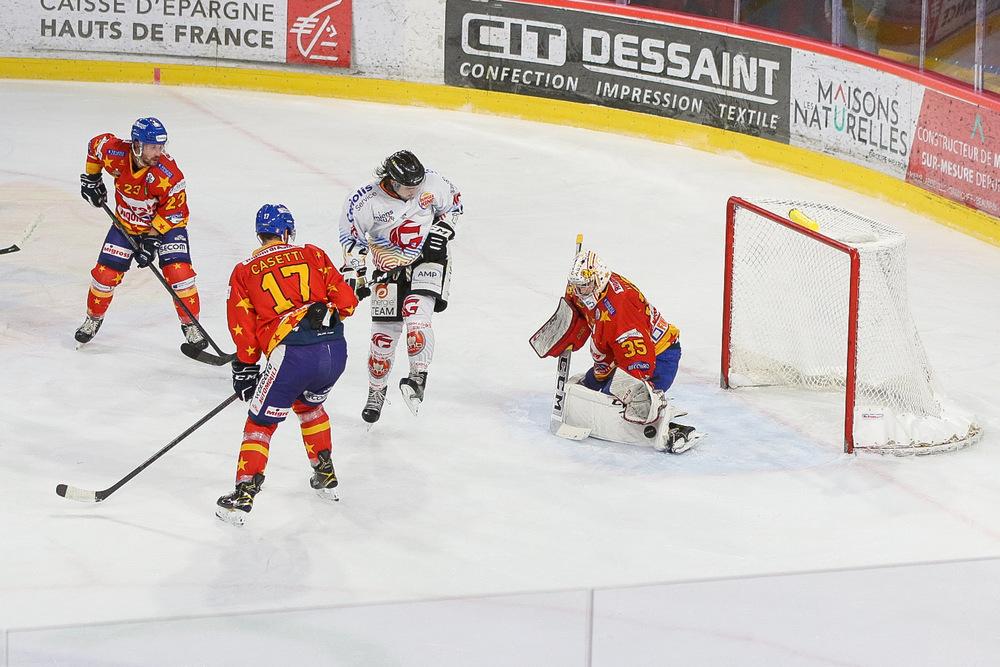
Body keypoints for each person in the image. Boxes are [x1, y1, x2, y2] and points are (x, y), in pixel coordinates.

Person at [216, 204, 359, 526]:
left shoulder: (244, 270)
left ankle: (243, 492)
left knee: (260, 423)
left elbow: (242, 324)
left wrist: (246, 366)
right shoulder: (313, 253)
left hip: (292, 354)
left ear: (260, 234)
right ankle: (324, 472)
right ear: (287, 232)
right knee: (310, 408)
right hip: (335, 352)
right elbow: (348, 303)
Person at [530, 249, 701, 453]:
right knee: (590, 388)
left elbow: (639, 360)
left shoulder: (621, 309)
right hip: (619, 352)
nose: (579, 291)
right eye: (576, 286)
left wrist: (635, 393)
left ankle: (666, 427)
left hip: (659, 357)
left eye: (584, 286)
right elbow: (585, 316)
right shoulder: (589, 289)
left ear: (599, 279)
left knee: (619, 402)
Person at [338, 150, 463, 422]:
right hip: (388, 269)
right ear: (392, 182)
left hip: (429, 260)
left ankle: (418, 377)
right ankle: (376, 391)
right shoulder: (363, 201)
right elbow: (352, 243)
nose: (415, 191)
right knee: (381, 340)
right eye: (409, 187)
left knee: (416, 316)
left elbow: (454, 206)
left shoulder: (433, 182)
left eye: (417, 186)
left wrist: (441, 232)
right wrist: (357, 277)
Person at [76, 117, 206, 350]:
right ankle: (93, 319)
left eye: (161, 146)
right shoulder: (115, 153)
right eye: (153, 147)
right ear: (137, 145)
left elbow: (174, 211)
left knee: (180, 275)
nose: (159, 152)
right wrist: (92, 179)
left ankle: (190, 324)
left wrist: (152, 239)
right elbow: (95, 145)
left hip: (166, 228)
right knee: (104, 276)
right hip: (127, 224)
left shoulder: (168, 174)